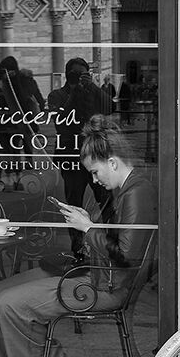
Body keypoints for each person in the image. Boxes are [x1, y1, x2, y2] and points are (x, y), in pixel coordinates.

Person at [0, 116, 157, 357]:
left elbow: (127, 255)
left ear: (113, 162)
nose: (93, 179)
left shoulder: (137, 192)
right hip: (97, 276)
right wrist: (88, 222)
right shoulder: (126, 189)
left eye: (95, 171)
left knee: (9, 302)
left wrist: (87, 228)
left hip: (107, 287)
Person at [46, 58, 112, 258]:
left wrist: (92, 86)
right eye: (75, 74)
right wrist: (75, 91)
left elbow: (109, 108)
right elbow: (60, 121)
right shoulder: (57, 95)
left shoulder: (91, 91)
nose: (78, 78)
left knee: (107, 201)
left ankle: (107, 245)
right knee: (73, 205)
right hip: (71, 156)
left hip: (94, 156)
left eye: (82, 74)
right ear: (67, 75)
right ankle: (77, 249)